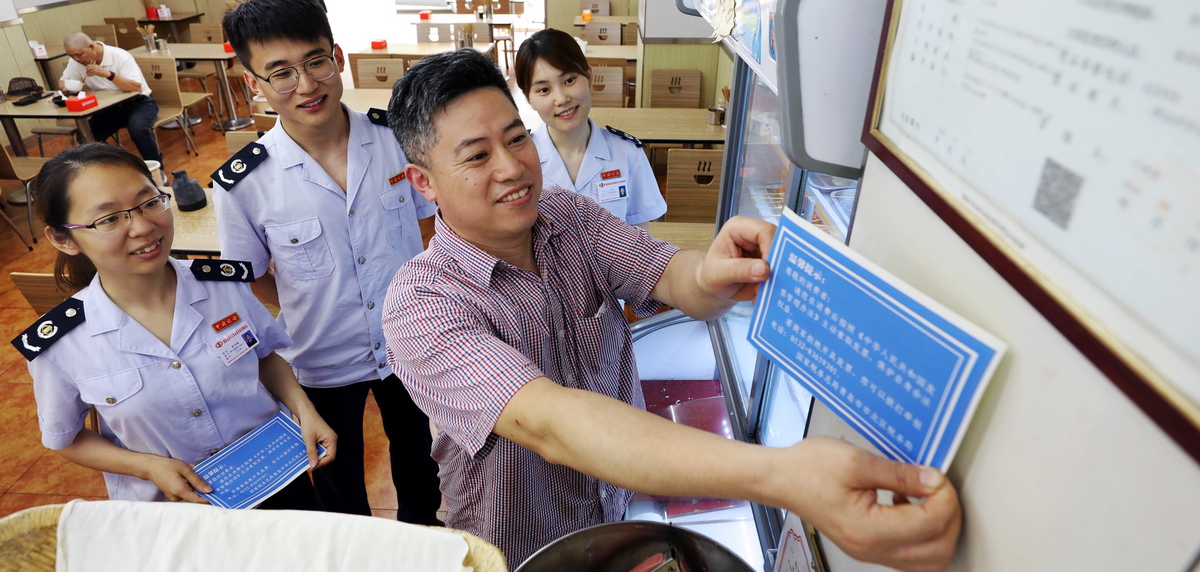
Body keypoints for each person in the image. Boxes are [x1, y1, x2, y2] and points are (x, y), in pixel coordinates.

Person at [382, 49, 962, 569]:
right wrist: (782, 477)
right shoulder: (423, 304)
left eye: (515, 139)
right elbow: (550, 422)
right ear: (423, 182)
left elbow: (668, 275)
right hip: (512, 549)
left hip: (609, 513)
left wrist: (712, 271)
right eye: (477, 156)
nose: (511, 167)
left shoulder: (569, 218)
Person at [210, 0, 441, 523]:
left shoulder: (397, 139)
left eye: (316, 61)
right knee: (336, 485)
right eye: (281, 72)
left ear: (337, 57)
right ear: (254, 84)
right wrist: (306, 297)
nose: (306, 85)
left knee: (422, 463)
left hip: (410, 341)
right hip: (318, 358)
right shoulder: (245, 183)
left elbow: (429, 230)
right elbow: (251, 280)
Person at [12, 143, 335, 506]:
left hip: (274, 477)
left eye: (149, 202)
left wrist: (305, 411)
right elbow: (65, 438)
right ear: (62, 238)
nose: (143, 227)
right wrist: (147, 466)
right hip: (174, 509)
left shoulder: (223, 285)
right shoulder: (61, 344)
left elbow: (263, 356)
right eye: (108, 219)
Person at [514, 28, 665, 228]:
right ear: (529, 99)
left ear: (589, 76)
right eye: (544, 90)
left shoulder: (628, 153)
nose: (561, 99)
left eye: (569, 80)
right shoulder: (519, 161)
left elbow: (640, 234)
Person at [60, 32, 162, 167]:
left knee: (138, 129)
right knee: (86, 136)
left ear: (91, 46)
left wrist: (107, 74)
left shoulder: (120, 56)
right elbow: (62, 81)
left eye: (79, 54)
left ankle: (156, 168)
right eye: (71, 55)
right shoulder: (76, 62)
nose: (76, 59)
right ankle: (113, 167)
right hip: (108, 108)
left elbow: (136, 87)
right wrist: (67, 86)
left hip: (138, 103)